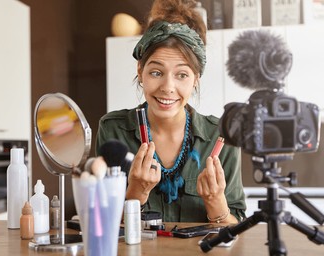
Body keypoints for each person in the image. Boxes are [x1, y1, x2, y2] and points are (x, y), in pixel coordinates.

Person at [96, 0, 246, 223]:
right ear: (140, 71)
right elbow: (100, 222)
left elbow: (238, 228)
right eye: (156, 72)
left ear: (196, 79)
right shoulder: (113, 130)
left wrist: (215, 201)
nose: (167, 87)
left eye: (182, 75)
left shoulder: (221, 137)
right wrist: (136, 192)